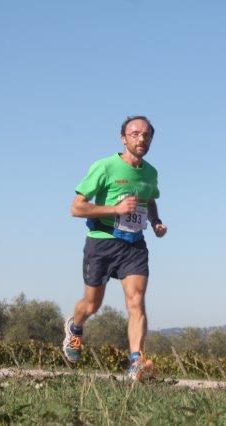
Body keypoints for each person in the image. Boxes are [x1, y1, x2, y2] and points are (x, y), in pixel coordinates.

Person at [62, 116, 167, 381]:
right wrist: (115, 209)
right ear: (123, 138)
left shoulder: (151, 173)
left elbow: (149, 199)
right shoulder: (105, 167)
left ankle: (136, 362)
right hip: (102, 241)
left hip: (134, 244)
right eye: (135, 134)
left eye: (146, 135)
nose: (141, 139)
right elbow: (76, 208)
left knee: (136, 301)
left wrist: (155, 221)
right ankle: (75, 328)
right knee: (91, 305)